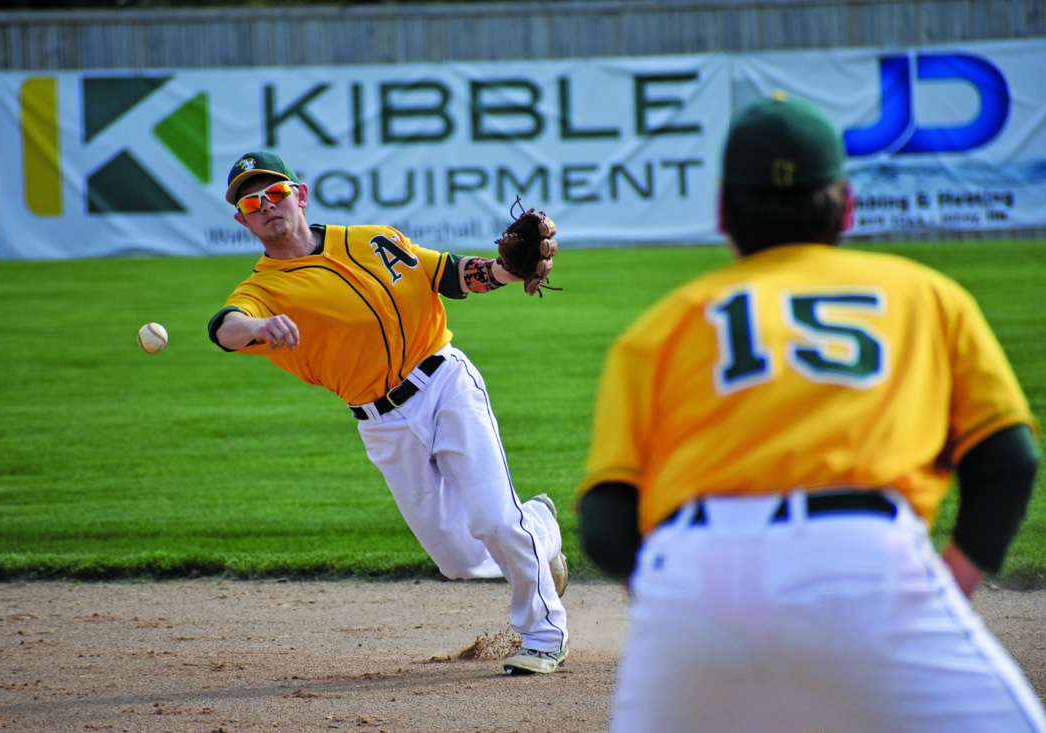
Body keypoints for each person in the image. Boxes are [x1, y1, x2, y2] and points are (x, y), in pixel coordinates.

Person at [576, 94, 1045, 731]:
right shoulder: (925, 295)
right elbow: (1008, 458)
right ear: (848, 205)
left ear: (722, 210)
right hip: (862, 559)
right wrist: (951, 584)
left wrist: (679, 605)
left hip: (697, 575)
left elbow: (607, 521)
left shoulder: (661, 328)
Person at [208, 151, 569, 675]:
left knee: (494, 519)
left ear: (300, 196)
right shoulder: (261, 293)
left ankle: (543, 636)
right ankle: (540, 527)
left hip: (445, 383)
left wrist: (502, 272)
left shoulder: (370, 240)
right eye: (250, 203)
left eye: (275, 193)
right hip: (382, 424)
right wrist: (257, 327)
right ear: (242, 220)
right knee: (458, 559)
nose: (265, 206)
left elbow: (446, 274)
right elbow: (225, 328)